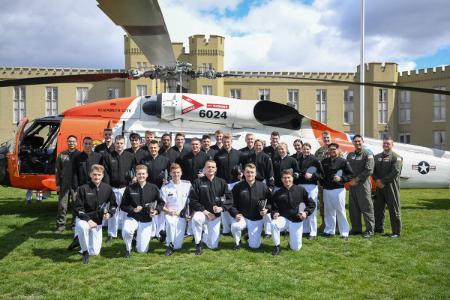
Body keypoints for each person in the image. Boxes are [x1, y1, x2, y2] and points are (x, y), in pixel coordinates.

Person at [74, 164, 116, 264]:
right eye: (94, 174)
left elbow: (114, 205)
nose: (96, 177)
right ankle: (84, 252)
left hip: (97, 222)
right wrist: (88, 220)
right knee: (82, 227)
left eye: (99, 175)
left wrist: (109, 214)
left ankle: (78, 239)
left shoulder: (108, 188)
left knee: (95, 252)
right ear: (90, 175)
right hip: (84, 219)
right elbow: (78, 208)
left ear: (102, 176)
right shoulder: (83, 189)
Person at [189, 160, 233, 255]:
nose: (210, 169)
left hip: (215, 216)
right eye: (208, 167)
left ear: (216, 169)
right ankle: (198, 243)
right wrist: (206, 212)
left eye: (213, 167)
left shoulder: (222, 182)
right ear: (204, 169)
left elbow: (230, 199)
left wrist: (221, 208)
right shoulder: (198, 182)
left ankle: (205, 234)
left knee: (213, 246)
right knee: (196, 219)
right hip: (203, 213)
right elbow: (192, 200)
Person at [121, 165, 164, 257]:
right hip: (133, 217)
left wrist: (156, 211)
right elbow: (123, 205)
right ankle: (128, 249)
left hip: (146, 219)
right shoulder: (129, 188)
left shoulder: (153, 188)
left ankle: (136, 238)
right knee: (126, 230)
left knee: (142, 251)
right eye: (139, 174)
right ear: (136, 175)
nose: (141, 176)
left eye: (143, 174)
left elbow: (161, 203)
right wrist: (133, 210)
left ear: (147, 175)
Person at [271, 169, 315, 255]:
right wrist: (274, 213)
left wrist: (306, 212)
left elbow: (311, 204)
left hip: (296, 219)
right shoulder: (277, 193)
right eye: (284, 178)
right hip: (284, 218)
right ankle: (277, 246)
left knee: (295, 248)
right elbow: (273, 207)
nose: (287, 180)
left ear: (292, 178)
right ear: (281, 179)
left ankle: (291, 241)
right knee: (274, 224)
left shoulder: (301, 190)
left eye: (288, 177)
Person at [229, 163, 271, 250]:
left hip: (256, 218)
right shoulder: (238, 186)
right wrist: (235, 213)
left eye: (252, 172)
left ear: (255, 173)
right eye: (248, 172)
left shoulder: (263, 186)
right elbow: (230, 202)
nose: (250, 174)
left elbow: (271, 202)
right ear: (244, 173)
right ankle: (237, 242)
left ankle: (249, 236)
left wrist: (266, 209)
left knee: (254, 246)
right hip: (242, 216)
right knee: (235, 226)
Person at [102, 135, 136, 242]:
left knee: (125, 211)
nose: (119, 145)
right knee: (113, 211)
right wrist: (108, 188)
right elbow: (106, 173)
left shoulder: (130, 156)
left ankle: (124, 231)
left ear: (124, 144)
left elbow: (133, 170)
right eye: (117, 143)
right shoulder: (108, 156)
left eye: (121, 143)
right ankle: (112, 233)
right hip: (112, 188)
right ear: (114, 143)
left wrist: (132, 183)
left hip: (126, 188)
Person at [139, 139, 171, 241]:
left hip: (162, 188)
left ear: (158, 148)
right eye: (151, 148)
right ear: (148, 148)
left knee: (161, 209)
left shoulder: (165, 160)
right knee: (150, 208)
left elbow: (169, 174)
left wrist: (167, 180)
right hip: (149, 188)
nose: (153, 149)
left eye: (155, 147)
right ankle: (152, 232)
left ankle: (160, 232)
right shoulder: (144, 161)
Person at [320, 143, 353, 240]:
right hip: (327, 189)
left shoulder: (343, 162)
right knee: (329, 211)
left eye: (334, 149)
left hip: (338, 190)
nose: (332, 151)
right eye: (330, 149)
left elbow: (350, 175)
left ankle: (344, 232)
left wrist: (341, 178)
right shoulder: (324, 161)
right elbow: (321, 174)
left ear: (338, 150)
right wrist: (322, 184)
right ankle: (329, 231)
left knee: (340, 211)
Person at [373, 136, 403, 238]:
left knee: (394, 209)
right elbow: (373, 171)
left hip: (391, 187)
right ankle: (378, 228)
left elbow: (395, 172)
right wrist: (377, 180)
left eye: (388, 143)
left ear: (392, 145)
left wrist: (382, 181)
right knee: (378, 208)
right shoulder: (376, 157)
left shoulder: (396, 157)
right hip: (379, 187)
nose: (386, 145)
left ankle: (396, 232)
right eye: (384, 143)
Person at [160, 163, 192, 256]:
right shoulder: (165, 187)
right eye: (174, 173)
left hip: (182, 215)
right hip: (171, 214)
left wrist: (189, 214)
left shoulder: (187, 185)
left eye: (178, 172)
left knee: (177, 246)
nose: (176, 175)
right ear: (170, 173)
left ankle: (167, 236)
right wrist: (168, 212)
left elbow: (191, 202)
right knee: (170, 223)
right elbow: (162, 205)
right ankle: (169, 245)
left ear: (181, 173)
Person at [347, 135, 375, 238]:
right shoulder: (350, 155)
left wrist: (356, 179)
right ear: (353, 143)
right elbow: (347, 169)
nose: (357, 143)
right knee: (353, 208)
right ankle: (356, 229)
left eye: (359, 141)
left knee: (366, 207)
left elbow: (369, 170)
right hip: (352, 185)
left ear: (363, 142)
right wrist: (350, 180)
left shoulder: (368, 154)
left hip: (363, 185)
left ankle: (369, 230)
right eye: (355, 141)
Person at [214, 133, 242, 235]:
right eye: (224, 142)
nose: (226, 143)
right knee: (224, 205)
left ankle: (235, 225)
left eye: (228, 142)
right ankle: (226, 228)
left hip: (235, 183)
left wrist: (241, 173)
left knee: (234, 204)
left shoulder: (238, 153)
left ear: (231, 142)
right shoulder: (218, 154)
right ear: (222, 142)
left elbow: (242, 166)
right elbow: (215, 170)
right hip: (223, 184)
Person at [296, 142, 323, 240]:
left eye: (307, 149)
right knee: (301, 208)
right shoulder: (298, 159)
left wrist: (312, 176)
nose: (305, 151)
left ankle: (313, 232)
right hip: (300, 186)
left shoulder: (315, 160)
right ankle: (304, 230)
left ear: (310, 149)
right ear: (301, 149)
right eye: (304, 149)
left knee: (312, 208)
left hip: (311, 186)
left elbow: (321, 174)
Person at [55, 135, 80, 232]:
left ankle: (74, 224)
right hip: (64, 184)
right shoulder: (62, 155)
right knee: (62, 205)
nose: (71, 143)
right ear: (67, 142)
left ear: (76, 143)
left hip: (76, 184)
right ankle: (60, 226)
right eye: (69, 141)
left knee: (76, 205)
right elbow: (57, 170)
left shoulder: (79, 155)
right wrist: (57, 184)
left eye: (73, 141)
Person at [314, 130, 332, 232]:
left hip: (333, 182)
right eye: (324, 138)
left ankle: (336, 224)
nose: (326, 139)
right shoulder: (319, 151)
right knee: (323, 204)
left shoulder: (336, 150)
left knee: (333, 205)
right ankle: (324, 224)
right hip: (322, 182)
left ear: (331, 138)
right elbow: (315, 166)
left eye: (328, 138)